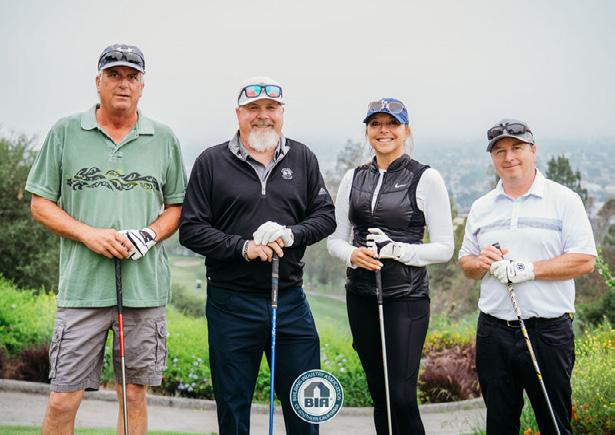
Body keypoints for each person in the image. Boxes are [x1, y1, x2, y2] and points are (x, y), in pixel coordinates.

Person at [26, 44, 187, 435]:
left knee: (133, 396)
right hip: (82, 290)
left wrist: (149, 234)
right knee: (63, 398)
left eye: (132, 76)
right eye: (114, 75)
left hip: (143, 291)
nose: (123, 84)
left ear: (142, 85)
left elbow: (177, 207)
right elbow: (40, 203)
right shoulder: (66, 132)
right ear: (98, 81)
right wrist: (88, 234)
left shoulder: (163, 138)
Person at [179, 76, 335, 435]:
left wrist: (291, 234)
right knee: (233, 408)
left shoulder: (303, 158)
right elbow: (192, 229)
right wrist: (244, 248)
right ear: (238, 114)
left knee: (305, 405)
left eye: (271, 108)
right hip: (230, 304)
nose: (263, 115)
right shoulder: (211, 161)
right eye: (253, 108)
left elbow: (325, 217)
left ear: (282, 113)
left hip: (291, 300)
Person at [458, 119, 596, 435]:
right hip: (493, 333)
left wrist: (528, 270)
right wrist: (481, 262)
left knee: (554, 423)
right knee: (499, 425)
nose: (509, 157)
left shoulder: (564, 199)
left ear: (533, 151)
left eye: (516, 148)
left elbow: (585, 260)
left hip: (548, 332)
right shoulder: (481, 207)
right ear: (492, 158)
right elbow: (466, 264)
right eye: (500, 151)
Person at [327, 98, 454, 434]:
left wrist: (395, 250)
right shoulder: (354, 177)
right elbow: (335, 240)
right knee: (380, 394)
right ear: (367, 132)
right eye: (375, 124)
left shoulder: (426, 178)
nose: (383, 131)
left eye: (392, 124)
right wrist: (352, 255)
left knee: (400, 396)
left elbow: (445, 248)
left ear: (406, 131)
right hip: (360, 296)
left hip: (406, 298)